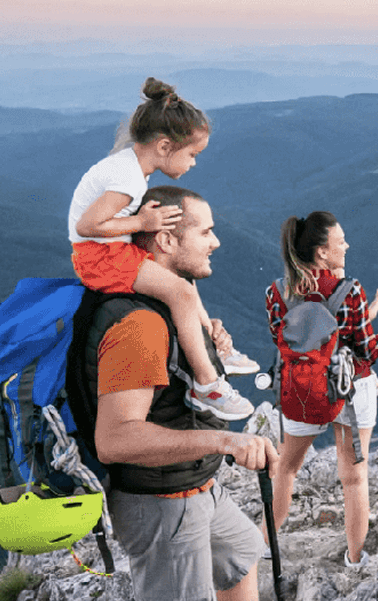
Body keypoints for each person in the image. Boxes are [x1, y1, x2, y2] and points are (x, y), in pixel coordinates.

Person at [84, 185, 301, 601]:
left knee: (239, 555)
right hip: (160, 503)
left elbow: (174, 393)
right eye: (204, 232)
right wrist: (226, 443)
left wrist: (213, 354)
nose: (216, 242)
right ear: (166, 240)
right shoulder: (138, 325)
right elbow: (116, 436)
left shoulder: (164, 313)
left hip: (192, 485)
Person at [68, 77, 256, 420]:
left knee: (185, 283)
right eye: (192, 154)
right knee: (181, 294)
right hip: (101, 258)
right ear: (165, 146)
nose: (193, 163)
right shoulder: (127, 178)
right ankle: (207, 385)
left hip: (110, 251)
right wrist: (142, 224)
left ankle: (213, 348)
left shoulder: (130, 165)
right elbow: (87, 227)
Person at [262, 211, 378, 566]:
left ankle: (260, 547)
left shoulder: (277, 292)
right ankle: (355, 559)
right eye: (340, 241)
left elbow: (298, 340)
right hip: (350, 393)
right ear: (322, 252)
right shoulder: (349, 292)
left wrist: (369, 309)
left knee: (286, 469)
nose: (346, 245)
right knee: (353, 479)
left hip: (300, 390)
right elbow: (369, 351)